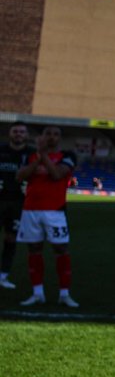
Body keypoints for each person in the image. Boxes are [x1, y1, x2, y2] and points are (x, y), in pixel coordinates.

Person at [15, 126, 78, 307]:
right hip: (30, 210)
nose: (51, 137)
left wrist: (42, 155)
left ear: (60, 138)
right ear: (41, 136)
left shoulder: (68, 156)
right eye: (48, 134)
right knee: (34, 249)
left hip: (55, 211)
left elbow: (57, 174)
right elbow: (20, 176)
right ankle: (37, 293)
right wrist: (38, 158)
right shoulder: (28, 156)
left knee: (61, 249)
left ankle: (64, 294)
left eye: (56, 134)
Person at [0, 122, 31, 289]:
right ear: (10, 134)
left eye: (22, 132)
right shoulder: (1, 150)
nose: (18, 134)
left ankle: (3, 276)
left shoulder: (33, 154)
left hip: (19, 204)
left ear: (26, 135)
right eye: (15, 131)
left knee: (11, 238)